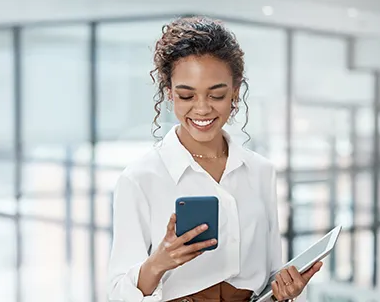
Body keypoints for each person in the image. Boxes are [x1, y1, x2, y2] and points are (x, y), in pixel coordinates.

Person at [107, 16, 322, 302]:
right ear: (169, 94)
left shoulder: (261, 171)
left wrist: (284, 291)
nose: (202, 108)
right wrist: (159, 262)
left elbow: (270, 276)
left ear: (235, 92)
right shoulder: (140, 179)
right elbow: (117, 293)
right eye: (186, 96)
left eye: (217, 95)